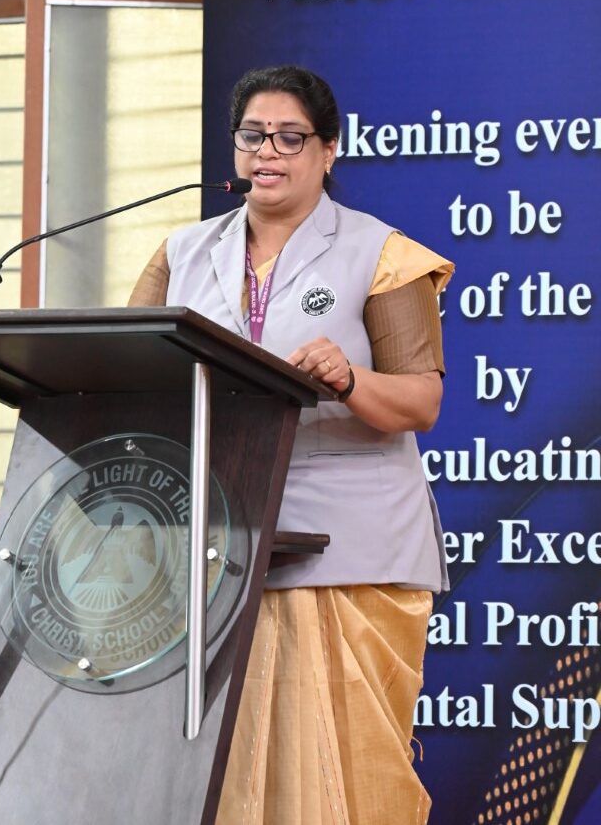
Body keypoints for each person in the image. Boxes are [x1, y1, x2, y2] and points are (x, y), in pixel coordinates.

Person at [128, 65, 453, 825]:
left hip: (348, 548)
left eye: (289, 138)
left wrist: (350, 379)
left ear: (328, 150)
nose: (267, 152)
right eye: (253, 136)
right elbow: (131, 371)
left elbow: (422, 402)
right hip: (218, 541)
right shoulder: (180, 253)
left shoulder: (382, 253)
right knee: (224, 776)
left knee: (343, 779)